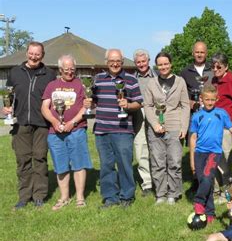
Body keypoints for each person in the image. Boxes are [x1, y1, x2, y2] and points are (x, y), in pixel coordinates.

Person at [85, 49, 143, 208]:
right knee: (106, 165)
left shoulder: (131, 79)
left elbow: (139, 102)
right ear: (106, 62)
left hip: (123, 130)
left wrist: (128, 105)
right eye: (112, 61)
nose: (115, 64)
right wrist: (89, 104)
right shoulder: (97, 79)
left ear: (122, 62)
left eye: (118, 61)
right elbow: (94, 100)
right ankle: (110, 197)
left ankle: (127, 196)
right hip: (102, 130)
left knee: (124, 164)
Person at [3, 41, 56, 209]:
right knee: (23, 160)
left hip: (42, 124)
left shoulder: (49, 74)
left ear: (42, 55)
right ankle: (24, 196)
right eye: (31, 53)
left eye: (37, 54)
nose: (34, 56)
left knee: (39, 158)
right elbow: (8, 96)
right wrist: (5, 108)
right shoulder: (15, 72)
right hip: (20, 123)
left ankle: (39, 195)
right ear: (27, 53)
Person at [41, 55, 93, 210]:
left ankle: (80, 198)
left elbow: (86, 106)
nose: (70, 72)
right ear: (60, 69)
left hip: (76, 130)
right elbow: (45, 107)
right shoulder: (51, 85)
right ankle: (64, 197)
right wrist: (55, 122)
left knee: (79, 164)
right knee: (61, 165)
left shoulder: (82, 85)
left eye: (72, 69)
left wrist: (73, 122)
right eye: (66, 69)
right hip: (55, 132)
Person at [144, 52, 190, 205]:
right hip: (156, 128)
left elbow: (185, 105)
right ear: (156, 66)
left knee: (174, 162)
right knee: (158, 162)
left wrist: (184, 126)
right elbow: (148, 106)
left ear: (171, 64)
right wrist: (154, 124)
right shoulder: (152, 83)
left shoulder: (180, 81)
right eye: (160, 64)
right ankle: (161, 193)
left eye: (165, 64)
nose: (163, 67)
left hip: (175, 126)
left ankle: (173, 193)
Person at [190, 85, 232, 223]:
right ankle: (210, 212)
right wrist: (192, 160)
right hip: (199, 153)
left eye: (212, 100)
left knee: (208, 178)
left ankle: (198, 201)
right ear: (201, 99)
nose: (209, 102)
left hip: (214, 153)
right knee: (205, 182)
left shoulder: (221, 113)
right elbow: (193, 138)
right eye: (207, 99)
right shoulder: (197, 116)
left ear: (217, 99)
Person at [209, 53, 232, 203]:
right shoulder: (213, 80)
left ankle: (227, 191)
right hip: (212, 126)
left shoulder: (231, 81)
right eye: (213, 66)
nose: (215, 69)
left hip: (225, 127)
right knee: (213, 160)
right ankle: (216, 190)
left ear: (226, 67)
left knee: (224, 160)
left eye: (219, 67)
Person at [132, 49, 155, 197]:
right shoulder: (131, 79)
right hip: (138, 114)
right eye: (138, 62)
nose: (141, 64)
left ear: (149, 61)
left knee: (158, 148)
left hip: (156, 113)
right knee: (141, 148)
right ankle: (147, 182)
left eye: (143, 61)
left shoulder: (158, 76)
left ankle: (160, 179)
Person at [180, 41, 214, 112]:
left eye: (202, 52)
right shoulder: (185, 72)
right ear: (193, 53)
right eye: (197, 52)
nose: (199, 55)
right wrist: (189, 102)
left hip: (211, 112)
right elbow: (180, 95)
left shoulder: (213, 70)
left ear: (206, 54)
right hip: (193, 114)